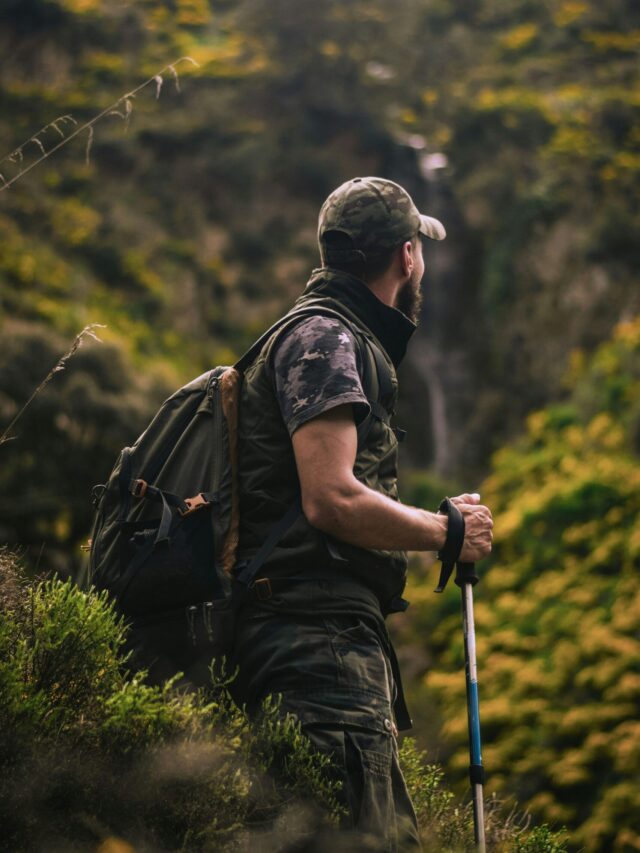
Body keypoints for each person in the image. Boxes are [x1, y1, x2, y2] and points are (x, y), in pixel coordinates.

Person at [232, 177, 493, 850]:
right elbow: (332, 498)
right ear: (407, 256)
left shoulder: (324, 334)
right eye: (420, 252)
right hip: (316, 652)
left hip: (321, 646)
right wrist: (445, 532)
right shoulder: (325, 339)